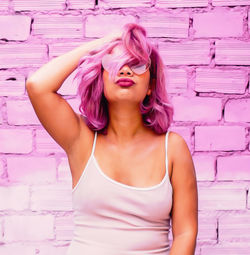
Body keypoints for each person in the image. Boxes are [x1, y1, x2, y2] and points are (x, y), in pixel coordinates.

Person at [26, 23, 198, 255]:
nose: (126, 71)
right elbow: (37, 86)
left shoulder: (173, 148)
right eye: (114, 64)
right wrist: (104, 43)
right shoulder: (82, 139)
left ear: (151, 85)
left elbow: (185, 233)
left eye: (137, 64)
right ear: (102, 80)